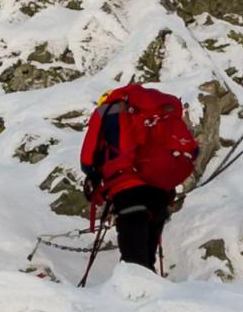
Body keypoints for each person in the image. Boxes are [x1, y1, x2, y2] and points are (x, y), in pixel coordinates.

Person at [77, 81, 202, 273]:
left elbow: (88, 158)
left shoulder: (106, 110)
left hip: (126, 185)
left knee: (134, 260)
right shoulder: (160, 111)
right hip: (159, 187)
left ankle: (135, 293)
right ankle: (149, 291)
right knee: (146, 256)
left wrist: (94, 176)